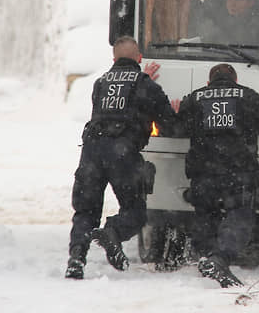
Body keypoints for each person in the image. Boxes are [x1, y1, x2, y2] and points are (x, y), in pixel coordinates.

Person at [65, 36, 178, 280]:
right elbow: (169, 123)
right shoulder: (146, 85)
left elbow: (115, 101)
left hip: (91, 151)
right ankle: (113, 232)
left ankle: (76, 259)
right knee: (135, 212)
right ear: (139, 58)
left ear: (114, 59)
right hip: (122, 153)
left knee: (86, 210)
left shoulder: (100, 82)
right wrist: (175, 109)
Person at [176, 63, 259, 287]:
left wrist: (179, 111)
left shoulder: (195, 98)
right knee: (240, 214)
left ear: (208, 82)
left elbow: (177, 129)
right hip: (238, 169)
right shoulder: (248, 96)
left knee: (205, 213)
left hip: (203, 170)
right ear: (235, 80)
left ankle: (206, 257)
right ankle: (220, 258)